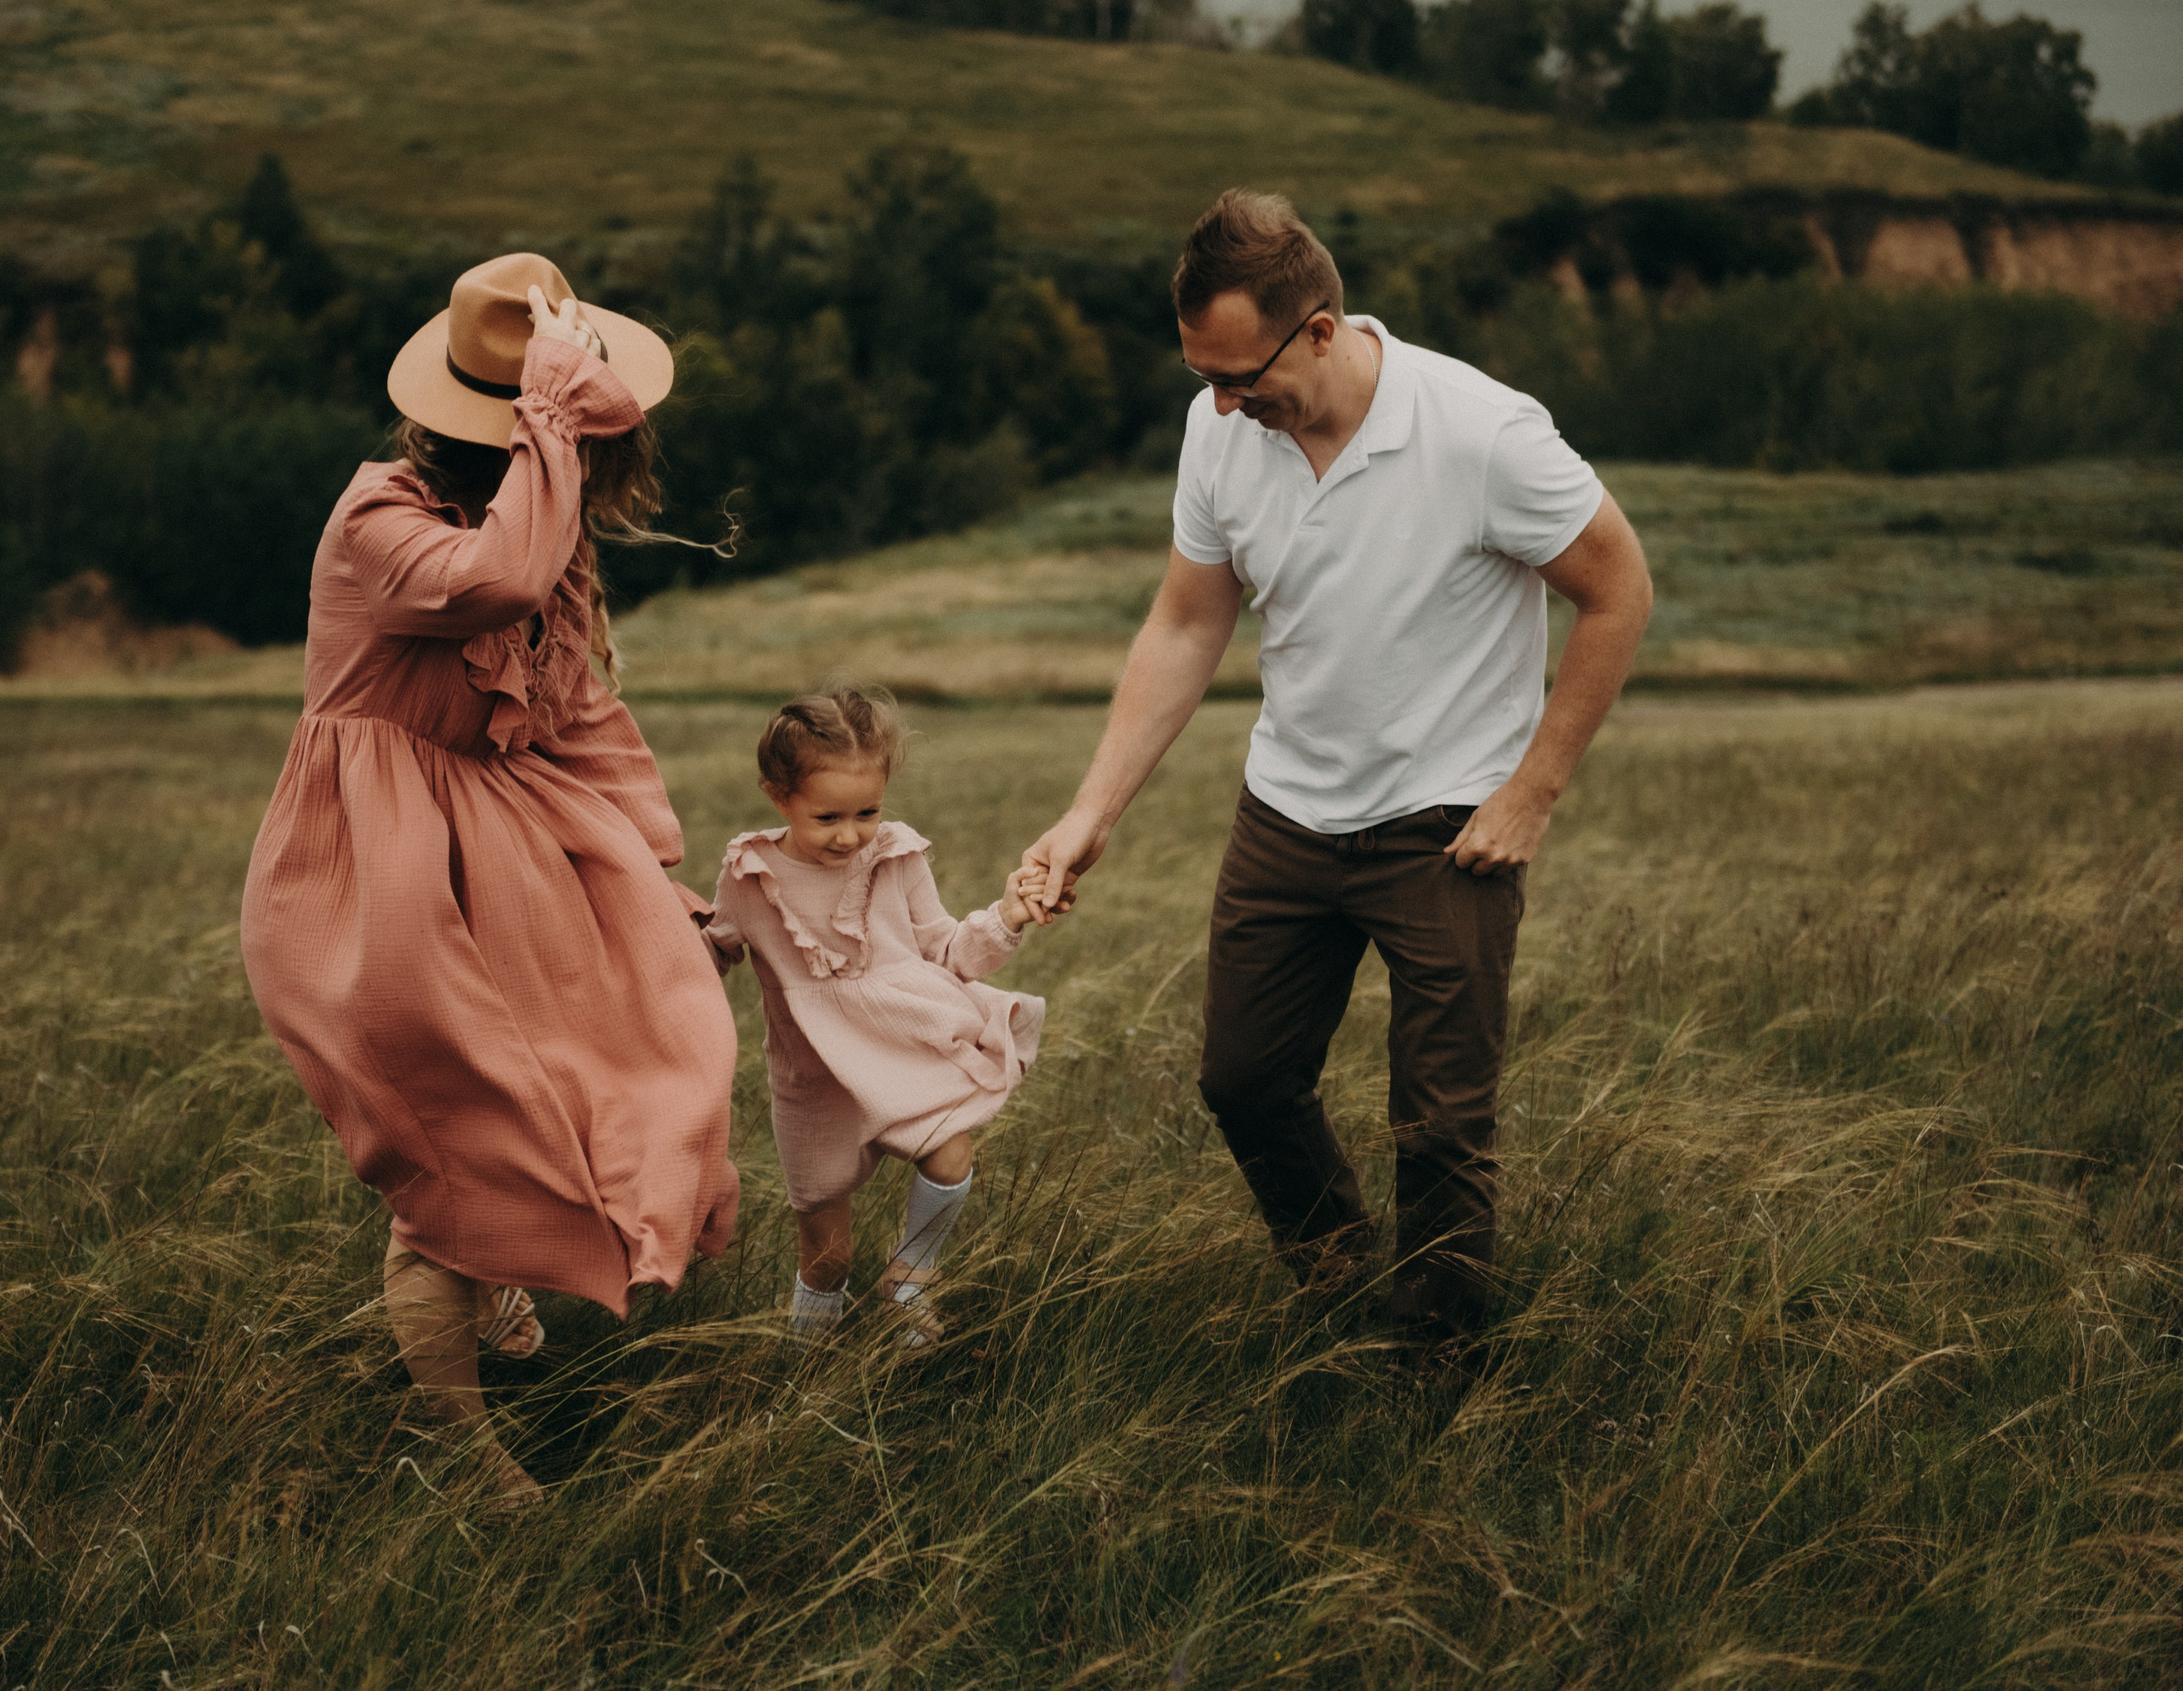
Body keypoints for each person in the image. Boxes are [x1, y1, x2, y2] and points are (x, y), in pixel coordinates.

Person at [1023, 190, 1654, 1362]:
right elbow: (1186, 621)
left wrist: (1530, 791)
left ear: (1318, 329)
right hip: (1288, 813)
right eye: (1201, 376)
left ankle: (1432, 1371)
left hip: (1448, 828)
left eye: (1239, 375)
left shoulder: (1482, 432)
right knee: (1244, 1080)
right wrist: (1088, 811)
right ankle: (1338, 1283)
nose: (1221, 403)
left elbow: (1619, 589)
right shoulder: (1219, 428)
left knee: (1441, 1126)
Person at [240, 253, 739, 1500]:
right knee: (448, 1176)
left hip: (499, 865)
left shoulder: (539, 534)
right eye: (578, 422)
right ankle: (472, 1467)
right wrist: (553, 416)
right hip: (372, 882)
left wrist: (660, 889)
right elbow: (496, 581)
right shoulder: (380, 521)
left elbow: (577, 724)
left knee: (622, 1072)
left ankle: (502, 1300)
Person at [705, 685, 1051, 1349]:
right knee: (827, 1256)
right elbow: (713, 951)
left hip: (902, 1045)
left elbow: (947, 950)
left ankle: (911, 1277)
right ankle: (809, 1359)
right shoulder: (749, 875)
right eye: (828, 816)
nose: (850, 834)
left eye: (868, 811)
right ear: (779, 796)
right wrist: (661, 944)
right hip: (815, 1078)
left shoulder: (895, 856)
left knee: (951, 1152)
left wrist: (1006, 916)